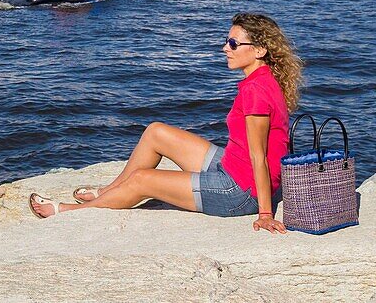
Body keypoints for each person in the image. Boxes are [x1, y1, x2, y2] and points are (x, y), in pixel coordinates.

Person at [29, 13, 302, 234]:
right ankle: (109, 192)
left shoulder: (255, 90)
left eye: (233, 44)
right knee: (156, 132)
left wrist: (265, 213)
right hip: (232, 166)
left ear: (259, 50)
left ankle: (70, 211)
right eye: (227, 41)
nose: (224, 48)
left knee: (141, 180)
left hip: (241, 191)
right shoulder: (263, 79)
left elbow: (259, 156)